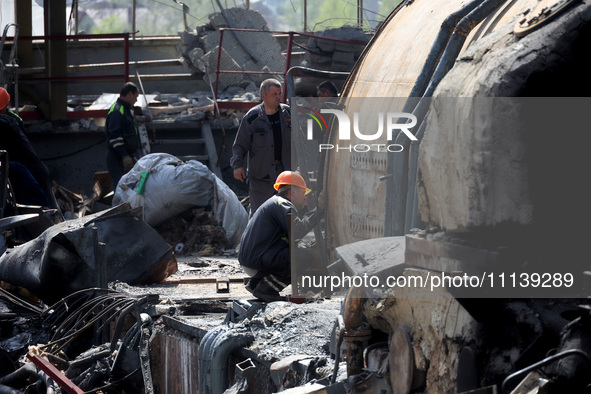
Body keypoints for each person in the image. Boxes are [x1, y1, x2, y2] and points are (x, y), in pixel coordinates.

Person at [238, 171, 323, 302]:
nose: (305, 197)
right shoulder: (282, 204)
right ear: (292, 191)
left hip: (252, 259)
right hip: (257, 260)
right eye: (303, 193)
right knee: (305, 255)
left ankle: (256, 283)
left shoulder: (275, 203)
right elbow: (297, 230)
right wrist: (319, 210)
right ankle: (267, 289)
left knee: (297, 248)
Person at [231, 78, 291, 216]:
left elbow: (299, 141)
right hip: (261, 177)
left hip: (284, 173)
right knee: (260, 214)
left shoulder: (288, 114)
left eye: (279, 93)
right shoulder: (252, 118)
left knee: (286, 214)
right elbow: (240, 144)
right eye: (274, 94)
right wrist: (237, 165)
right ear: (263, 96)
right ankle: (257, 238)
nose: (278, 97)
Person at [0, 87, 56, 208]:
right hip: (26, 168)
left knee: (43, 209)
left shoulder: (7, 122)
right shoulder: (12, 119)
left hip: (29, 171)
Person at [105, 82, 141, 190]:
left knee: (130, 188)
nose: (136, 100)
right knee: (122, 189)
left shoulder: (125, 110)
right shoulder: (117, 111)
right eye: (136, 96)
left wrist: (130, 156)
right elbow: (115, 136)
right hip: (117, 159)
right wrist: (124, 156)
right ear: (130, 94)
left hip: (125, 157)